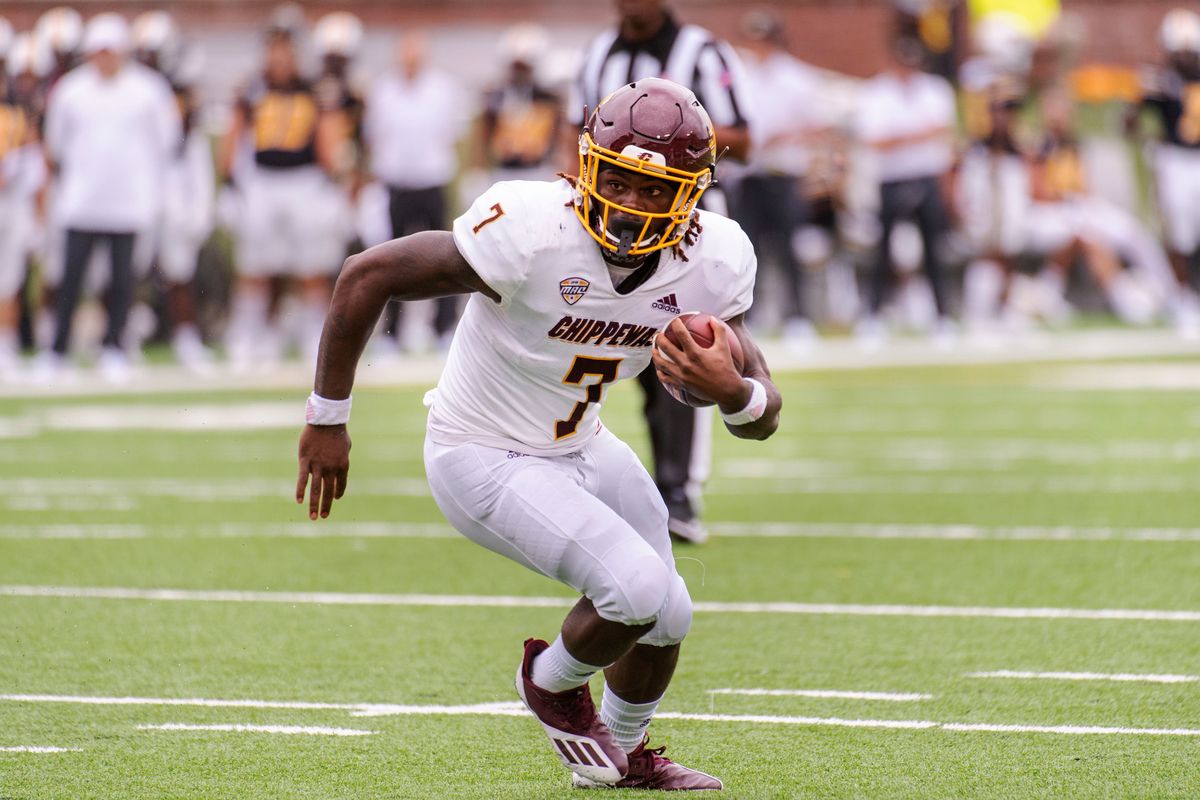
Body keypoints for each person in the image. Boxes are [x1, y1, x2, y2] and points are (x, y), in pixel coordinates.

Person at [296, 78, 780, 791]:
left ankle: (617, 756)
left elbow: (765, 411)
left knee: (670, 611)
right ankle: (550, 682)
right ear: (587, 164)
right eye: (617, 177)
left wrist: (732, 393)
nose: (631, 202)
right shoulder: (531, 226)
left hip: (580, 443)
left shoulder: (712, 259)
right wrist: (326, 418)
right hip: (481, 450)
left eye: (657, 188)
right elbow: (367, 274)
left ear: (693, 193)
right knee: (638, 588)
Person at [573, 0, 752, 544]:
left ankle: (677, 489)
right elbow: (576, 134)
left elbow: (743, 138)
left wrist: (660, 135)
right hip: (606, 217)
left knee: (679, 350)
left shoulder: (701, 50)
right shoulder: (596, 53)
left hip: (683, 226)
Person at [39, 13, 180, 381]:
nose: (105, 59)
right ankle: (58, 350)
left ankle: (115, 347)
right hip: (82, 200)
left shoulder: (149, 90)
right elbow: (56, 145)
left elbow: (166, 143)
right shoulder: (70, 90)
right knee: (70, 278)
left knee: (123, 281)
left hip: (130, 202)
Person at [220, 14, 338, 369]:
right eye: (274, 48)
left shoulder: (314, 88)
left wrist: (332, 179)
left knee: (311, 264)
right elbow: (234, 133)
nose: (279, 56)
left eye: (285, 48)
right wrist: (227, 179)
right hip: (263, 179)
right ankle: (249, 335)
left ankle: (314, 337)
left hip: (303, 180)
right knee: (254, 263)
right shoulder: (252, 88)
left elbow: (327, 140)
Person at [364, 29, 470, 354]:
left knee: (445, 258)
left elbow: (455, 133)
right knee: (392, 260)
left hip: (432, 181)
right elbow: (373, 136)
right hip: (396, 184)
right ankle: (392, 334)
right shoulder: (383, 90)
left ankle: (441, 328)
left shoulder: (443, 89)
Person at [734, 9, 830, 348]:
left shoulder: (796, 78)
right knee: (748, 250)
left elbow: (816, 126)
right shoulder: (741, 76)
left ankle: (798, 317)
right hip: (750, 174)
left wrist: (782, 138)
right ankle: (752, 316)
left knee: (791, 248)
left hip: (785, 172)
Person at [854, 34, 957, 346]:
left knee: (934, 249)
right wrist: (919, 133)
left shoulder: (936, 90)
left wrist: (902, 137)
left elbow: (943, 133)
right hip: (892, 178)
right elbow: (876, 141)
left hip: (926, 176)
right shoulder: (877, 93)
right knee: (883, 251)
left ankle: (941, 316)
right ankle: (873, 316)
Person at [132, 10, 216, 370]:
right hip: (139, 179)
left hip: (174, 181)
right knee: (129, 269)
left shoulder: (182, 87)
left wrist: (200, 202)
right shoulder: (132, 88)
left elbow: (190, 144)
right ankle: (123, 338)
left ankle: (186, 338)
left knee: (178, 269)